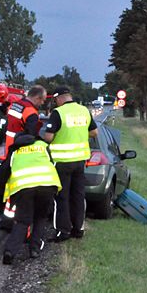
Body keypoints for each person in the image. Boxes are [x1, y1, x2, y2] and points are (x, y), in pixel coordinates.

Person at [42, 86, 98, 241]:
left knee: (61, 197)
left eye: (55, 100)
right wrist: (79, 134)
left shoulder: (58, 113)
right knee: (78, 196)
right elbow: (94, 132)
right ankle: (78, 229)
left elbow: (48, 137)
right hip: (80, 161)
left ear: (59, 98)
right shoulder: (84, 110)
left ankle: (63, 231)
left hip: (62, 162)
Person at [0, 132, 61, 264]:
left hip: (24, 188)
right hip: (47, 185)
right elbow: (53, 163)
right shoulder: (43, 145)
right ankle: (34, 249)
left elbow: (4, 172)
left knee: (22, 221)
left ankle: (10, 251)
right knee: (40, 217)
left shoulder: (15, 151)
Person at [0, 85, 48, 230]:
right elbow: (30, 136)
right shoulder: (31, 112)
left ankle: (7, 219)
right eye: (43, 100)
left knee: (11, 186)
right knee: (21, 189)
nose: (43, 103)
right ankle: (18, 224)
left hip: (9, 149)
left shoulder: (16, 105)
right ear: (38, 97)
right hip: (21, 153)